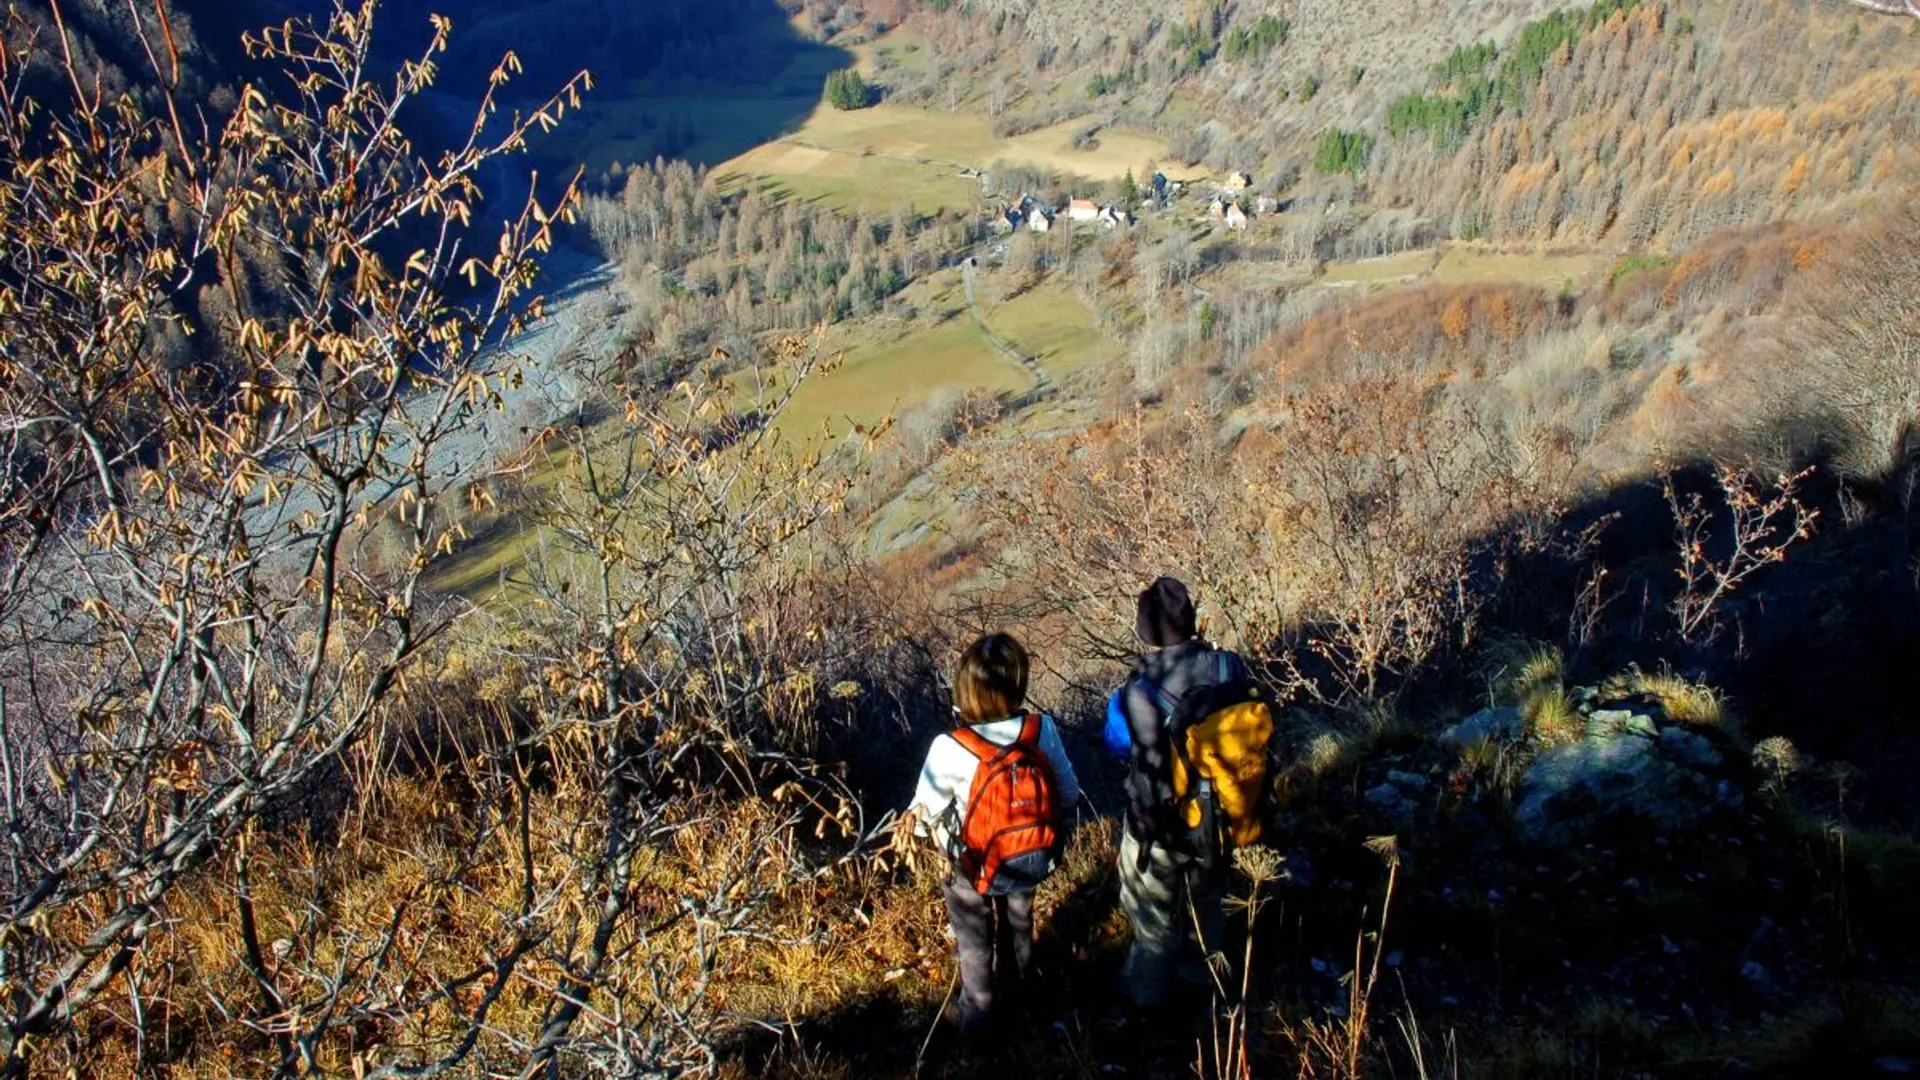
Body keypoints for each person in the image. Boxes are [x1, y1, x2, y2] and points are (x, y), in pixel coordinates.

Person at [902, 633, 1081, 1032]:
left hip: (973, 861)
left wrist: (939, 847)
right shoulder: (1041, 729)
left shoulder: (950, 746)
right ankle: (1021, 996)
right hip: (1031, 853)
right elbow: (1068, 792)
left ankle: (979, 1014)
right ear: (1018, 683)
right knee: (1020, 923)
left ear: (965, 690)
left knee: (974, 938)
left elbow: (923, 815)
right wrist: (1055, 838)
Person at [1116, 576, 1255, 1009]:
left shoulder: (1142, 691)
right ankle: (1204, 989)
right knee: (1209, 903)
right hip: (1225, 814)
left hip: (1164, 824)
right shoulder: (1229, 666)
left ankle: (1150, 1001)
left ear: (1148, 632)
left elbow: (1128, 749)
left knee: (1153, 914)